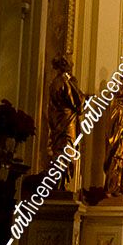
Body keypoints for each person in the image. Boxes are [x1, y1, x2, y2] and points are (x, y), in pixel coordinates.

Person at [47, 54, 85, 189]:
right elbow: (77, 102)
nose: (72, 66)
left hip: (59, 121)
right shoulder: (65, 81)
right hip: (67, 123)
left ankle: (58, 183)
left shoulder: (55, 82)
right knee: (66, 151)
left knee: (61, 150)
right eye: (70, 63)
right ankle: (59, 184)